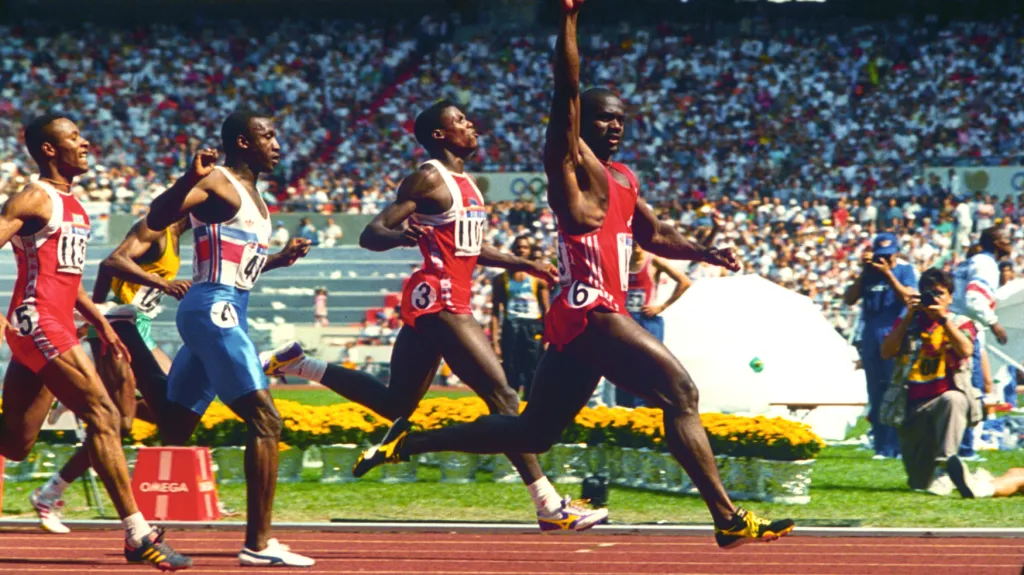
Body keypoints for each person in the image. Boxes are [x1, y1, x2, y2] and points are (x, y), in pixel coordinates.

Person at [353, 0, 793, 549]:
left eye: (622, 121)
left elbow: (655, 237)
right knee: (681, 392)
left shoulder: (624, 178)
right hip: (591, 309)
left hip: (580, 323)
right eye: (604, 117)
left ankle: (408, 444)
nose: (614, 127)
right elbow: (566, 87)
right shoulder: (568, 166)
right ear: (581, 122)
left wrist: (706, 252)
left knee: (534, 430)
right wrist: (568, 18)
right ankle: (727, 518)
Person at [261, 100, 607, 532]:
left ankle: (299, 363)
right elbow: (373, 233)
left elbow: (469, 247)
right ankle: (549, 505)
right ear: (440, 135)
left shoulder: (469, 185)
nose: (471, 124)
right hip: (440, 297)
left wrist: (522, 263)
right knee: (503, 397)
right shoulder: (429, 177)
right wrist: (399, 236)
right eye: (460, 121)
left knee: (396, 403)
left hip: (444, 298)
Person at [0, 114, 191, 570]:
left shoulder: (76, 205)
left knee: (15, 444)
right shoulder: (34, 197)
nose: (85, 143)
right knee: (105, 414)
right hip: (39, 322)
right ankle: (138, 535)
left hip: (59, 321)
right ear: (50, 149)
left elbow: (69, 280)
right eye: (73, 138)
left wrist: (100, 323)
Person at [145, 111, 314, 567]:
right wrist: (187, 179)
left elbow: (243, 270)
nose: (278, 144)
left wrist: (279, 259)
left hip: (226, 305)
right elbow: (158, 217)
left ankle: (144, 534)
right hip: (210, 307)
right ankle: (257, 545)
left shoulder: (256, 197)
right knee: (266, 420)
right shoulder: (217, 182)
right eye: (268, 136)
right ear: (243, 142)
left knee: (176, 426)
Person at [28, 214, 193, 535]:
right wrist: (100, 315)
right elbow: (109, 264)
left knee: (173, 408)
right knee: (119, 423)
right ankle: (49, 494)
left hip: (138, 325)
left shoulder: (177, 240)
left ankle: (85, 400)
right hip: (117, 323)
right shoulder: (157, 229)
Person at [881, 268, 979, 494]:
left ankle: (946, 466)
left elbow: (965, 349)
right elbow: (886, 352)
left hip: (943, 399)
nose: (933, 298)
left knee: (954, 400)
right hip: (911, 405)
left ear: (950, 297)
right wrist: (907, 317)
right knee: (919, 483)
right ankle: (961, 476)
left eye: (939, 293)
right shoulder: (909, 321)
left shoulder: (960, 322)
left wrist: (944, 321)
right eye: (928, 293)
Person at [843, 232, 918, 459]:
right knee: (875, 389)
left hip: (894, 331)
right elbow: (849, 299)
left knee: (893, 388)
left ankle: (894, 444)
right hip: (871, 332)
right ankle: (880, 443)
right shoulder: (869, 274)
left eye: (888, 255)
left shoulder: (904, 271)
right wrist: (863, 273)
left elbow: (909, 298)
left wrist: (888, 275)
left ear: (896, 252)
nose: (883, 259)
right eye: (880, 255)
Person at [952, 226, 1012, 458]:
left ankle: (955, 445)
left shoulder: (970, 261)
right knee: (971, 387)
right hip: (966, 329)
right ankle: (965, 448)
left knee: (959, 386)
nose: (1011, 243)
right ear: (997, 243)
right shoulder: (986, 264)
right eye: (1007, 239)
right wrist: (994, 322)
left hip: (953, 325)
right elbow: (974, 299)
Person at [616, 241, 691, 408]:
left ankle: (651, 405)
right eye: (632, 242)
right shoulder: (621, 261)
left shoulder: (653, 261)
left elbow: (684, 282)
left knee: (650, 365)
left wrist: (662, 306)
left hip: (646, 320)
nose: (636, 245)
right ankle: (625, 407)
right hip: (625, 320)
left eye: (638, 243)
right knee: (622, 365)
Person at [491, 235, 550, 398]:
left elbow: (546, 309)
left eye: (524, 247)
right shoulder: (500, 279)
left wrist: (549, 335)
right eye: (518, 247)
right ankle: (511, 411)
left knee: (533, 370)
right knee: (511, 370)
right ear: (512, 250)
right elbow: (495, 311)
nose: (521, 250)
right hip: (512, 326)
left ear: (529, 251)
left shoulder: (538, 279)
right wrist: (495, 340)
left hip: (533, 326)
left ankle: (531, 410)